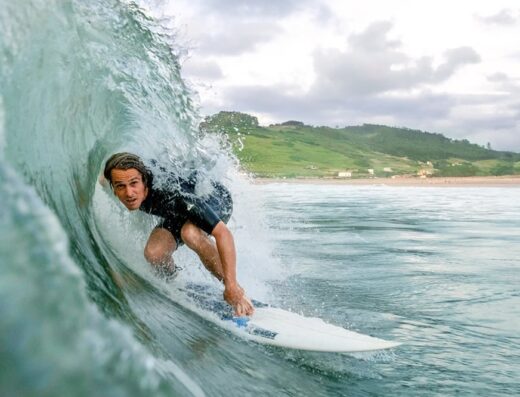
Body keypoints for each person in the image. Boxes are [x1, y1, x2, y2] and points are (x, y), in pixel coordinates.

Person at [102, 152, 254, 316]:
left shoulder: (174, 195)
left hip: (210, 198)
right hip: (178, 210)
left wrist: (230, 285)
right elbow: (104, 179)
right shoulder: (120, 176)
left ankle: (236, 291)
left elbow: (223, 234)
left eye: (134, 184)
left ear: (144, 183)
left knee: (190, 233)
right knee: (154, 254)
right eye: (120, 186)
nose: (129, 193)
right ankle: (173, 281)